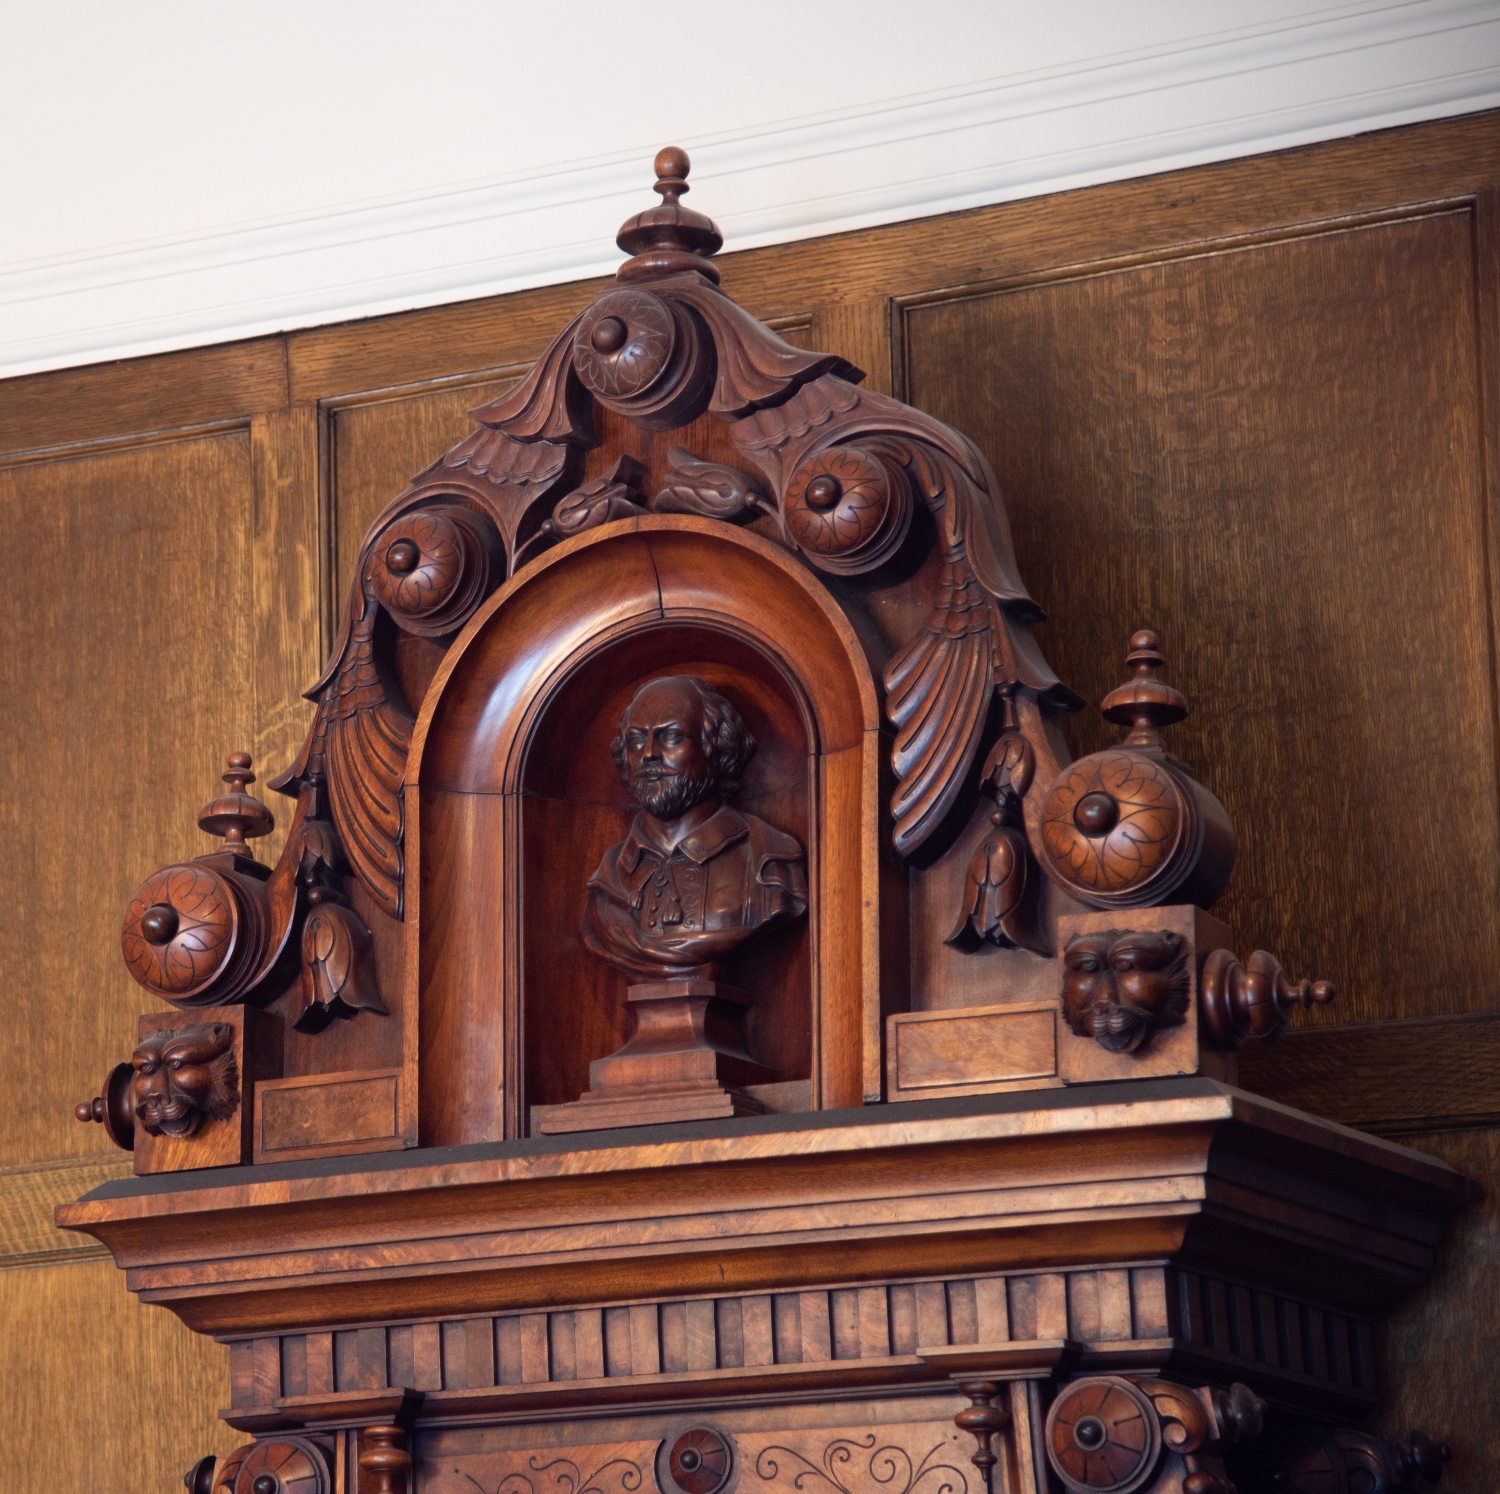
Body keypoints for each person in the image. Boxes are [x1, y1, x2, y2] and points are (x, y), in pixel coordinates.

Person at [581, 675, 807, 982]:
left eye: (671, 737)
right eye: (636, 740)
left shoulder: (770, 860)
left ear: (714, 747)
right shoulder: (608, 879)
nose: (648, 754)